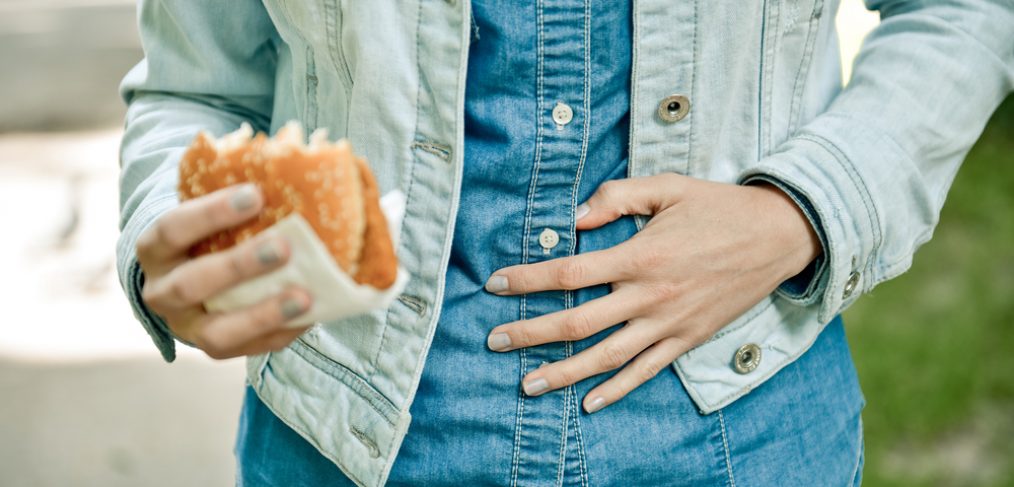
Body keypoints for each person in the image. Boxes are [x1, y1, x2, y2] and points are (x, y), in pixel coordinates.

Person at [116, 0, 1013, 485]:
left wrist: (800, 209)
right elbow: (199, 90)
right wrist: (178, 242)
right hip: (350, 445)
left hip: (739, 439)